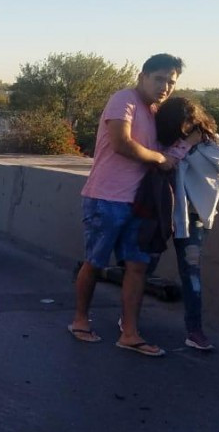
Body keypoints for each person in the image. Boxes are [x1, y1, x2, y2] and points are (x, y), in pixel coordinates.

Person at [68, 53, 182, 356]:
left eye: (171, 82)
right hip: (106, 197)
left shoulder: (154, 111)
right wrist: (160, 158)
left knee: (137, 268)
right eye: (159, 79)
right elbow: (122, 143)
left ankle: (130, 333)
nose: (165, 86)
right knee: (95, 262)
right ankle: (80, 320)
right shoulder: (124, 100)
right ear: (142, 76)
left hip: (139, 204)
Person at [153, 97, 219, 351]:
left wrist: (195, 146)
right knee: (143, 264)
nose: (187, 127)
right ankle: (128, 319)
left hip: (195, 217)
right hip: (163, 212)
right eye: (181, 122)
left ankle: (195, 330)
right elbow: (163, 163)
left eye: (190, 121)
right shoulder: (163, 141)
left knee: (192, 274)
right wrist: (185, 145)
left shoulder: (209, 140)